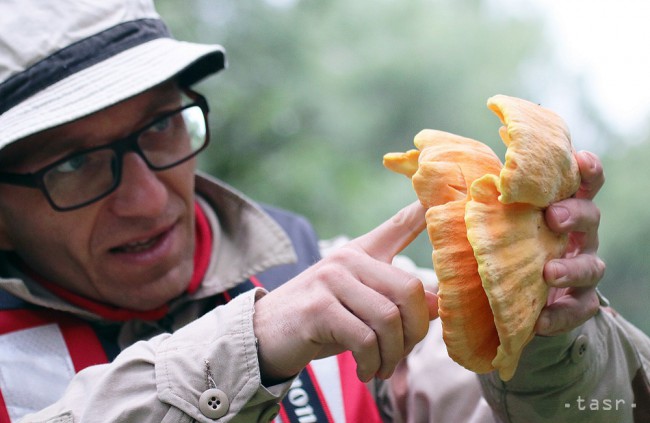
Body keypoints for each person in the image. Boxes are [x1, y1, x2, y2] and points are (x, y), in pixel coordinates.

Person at [0, 1, 647, 422]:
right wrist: (249, 346)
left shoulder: (331, 281)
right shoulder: (297, 308)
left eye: (163, 125)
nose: (144, 196)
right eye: (72, 164)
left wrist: (546, 337)